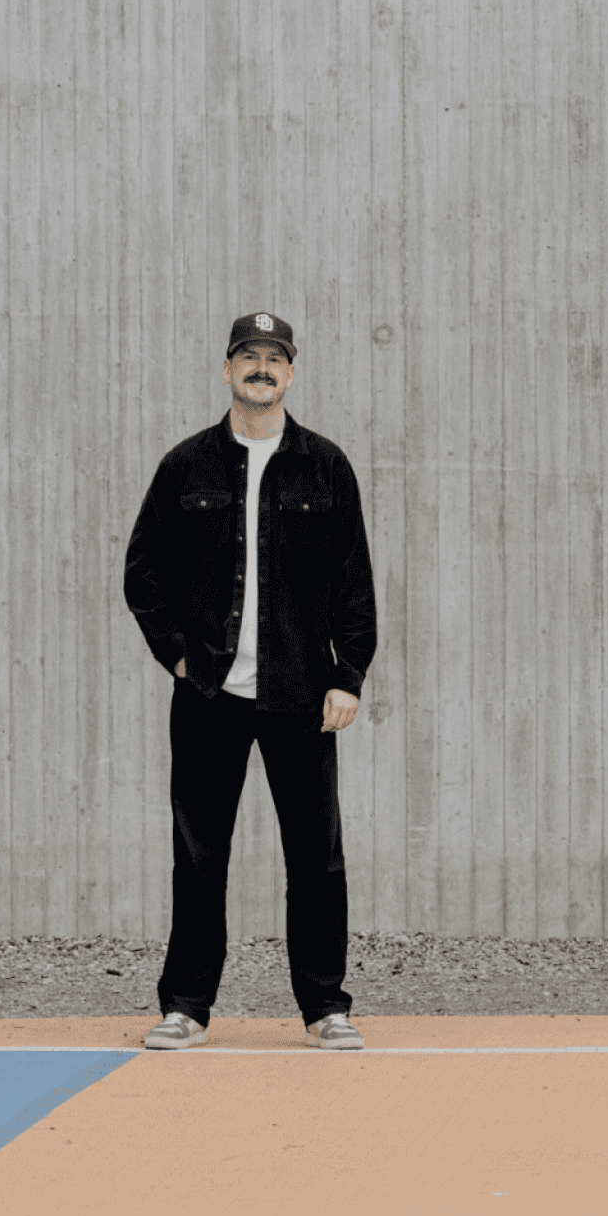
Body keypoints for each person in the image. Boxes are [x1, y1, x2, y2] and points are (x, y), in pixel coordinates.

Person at [122, 310, 378, 1051]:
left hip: (302, 694)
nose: (261, 368)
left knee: (317, 855)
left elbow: (352, 583)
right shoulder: (185, 466)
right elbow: (144, 574)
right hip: (208, 695)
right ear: (228, 368)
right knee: (199, 854)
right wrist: (177, 655)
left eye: (274, 358)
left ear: (291, 373)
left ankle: (326, 1005)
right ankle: (187, 1006)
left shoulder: (325, 467)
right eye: (248, 356)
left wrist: (348, 675)